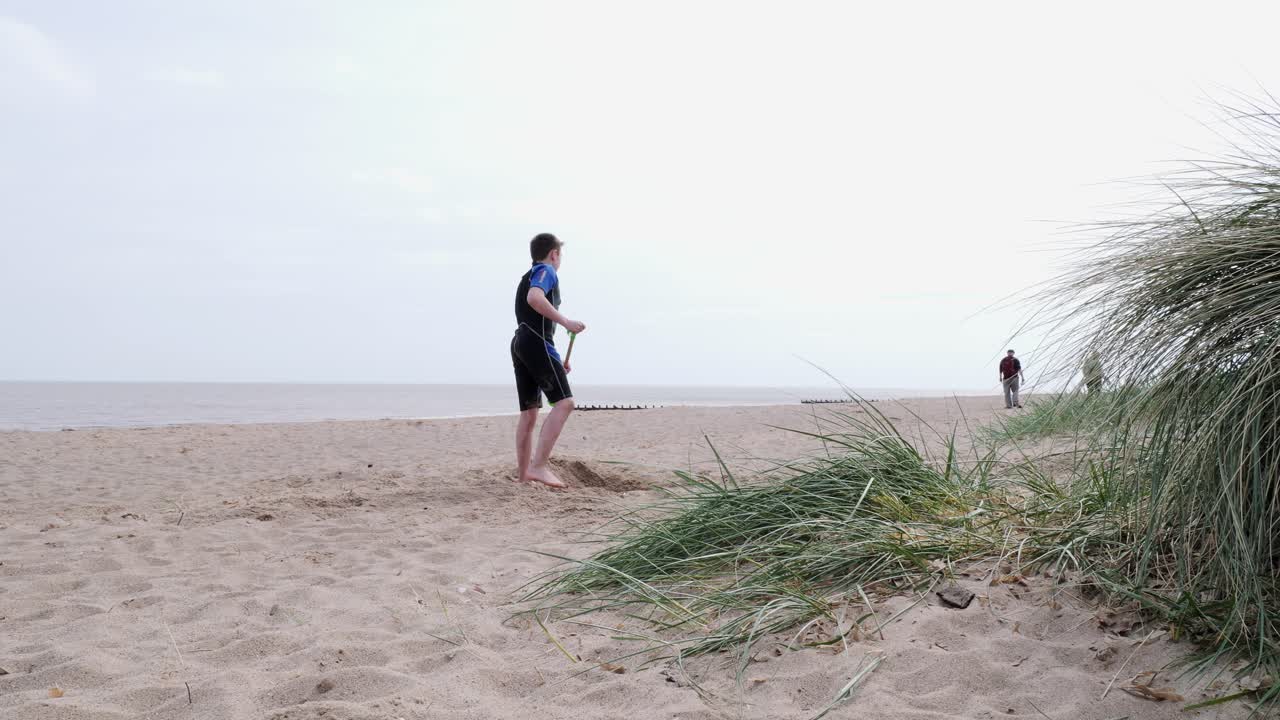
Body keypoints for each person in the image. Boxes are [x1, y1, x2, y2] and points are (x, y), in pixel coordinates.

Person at [511, 233, 586, 488]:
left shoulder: (528, 274)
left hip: (521, 342)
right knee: (565, 403)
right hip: (534, 342)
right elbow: (535, 298)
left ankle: (523, 478)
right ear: (554, 253)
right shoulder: (546, 270)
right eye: (560, 255)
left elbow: (532, 316)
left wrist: (555, 362)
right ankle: (538, 466)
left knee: (529, 414)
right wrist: (566, 322)